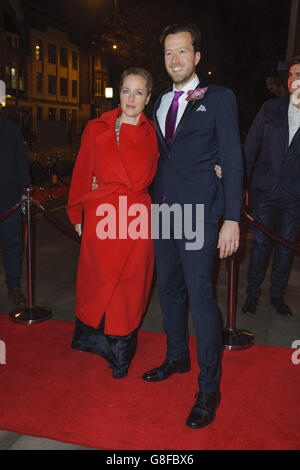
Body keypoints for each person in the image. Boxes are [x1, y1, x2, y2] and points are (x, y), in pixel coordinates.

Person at [142, 24, 244, 429]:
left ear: (197, 56)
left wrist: (232, 217)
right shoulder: (160, 101)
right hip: (164, 211)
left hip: (201, 214)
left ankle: (208, 388)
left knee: (201, 298)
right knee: (168, 289)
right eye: (168, 53)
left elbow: (233, 160)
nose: (175, 60)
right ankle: (176, 356)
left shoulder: (219, 98)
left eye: (182, 52)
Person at [66, 68, 160, 379]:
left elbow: (179, 165)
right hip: (101, 213)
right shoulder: (97, 128)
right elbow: (83, 170)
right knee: (96, 277)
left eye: (138, 92)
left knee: (129, 285)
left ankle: (121, 349)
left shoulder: (155, 133)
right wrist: (77, 213)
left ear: (148, 98)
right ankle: (91, 339)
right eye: (126, 91)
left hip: (135, 216)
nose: (131, 98)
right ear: (117, 93)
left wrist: (214, 167)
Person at [242, 59, 300, 317]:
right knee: (261, 245)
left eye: (297, 74)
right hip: (264, 191)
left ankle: (277, 296)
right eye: (290, 74)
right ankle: (251, 295)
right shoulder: (269, 108)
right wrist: (240, 185)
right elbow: (250, 147)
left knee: (285, 247)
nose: (292, 79)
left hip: (294, 194)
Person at [0, 94, 31, 305]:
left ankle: (14, 287)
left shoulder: (11, 129)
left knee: (12, 245)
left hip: (8, 198)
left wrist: (25, 191)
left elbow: (20, 161)